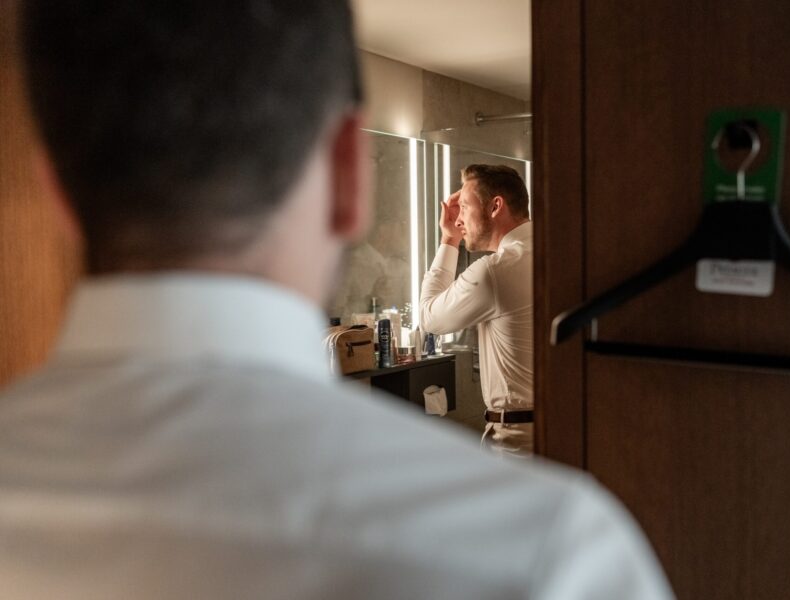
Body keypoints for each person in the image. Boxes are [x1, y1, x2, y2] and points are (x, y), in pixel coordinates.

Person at [0, 2, 673, 598]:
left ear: (56, 194)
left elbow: (432, 318)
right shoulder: (547, 554)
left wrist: (447, 249)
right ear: (352, 175)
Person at [420, 164, 535, 456]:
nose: (458, 220)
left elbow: (429, 318)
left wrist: (448, 240)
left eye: (464, 208)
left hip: (518, 444)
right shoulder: (560, 251)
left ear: (496, 206)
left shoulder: (494, 273)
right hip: (568, 429)